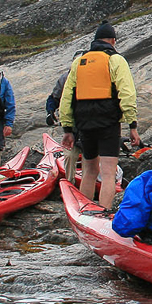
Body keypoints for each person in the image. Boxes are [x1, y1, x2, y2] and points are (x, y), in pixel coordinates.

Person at [59, 22, 141, 209]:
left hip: (85, 124)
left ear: (95, 41)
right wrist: (132, 125)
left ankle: (85, 211)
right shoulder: (116, 60)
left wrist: (67, 128)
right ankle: (104, 212)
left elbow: (67, 97)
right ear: (113, 41)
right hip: (108, 124)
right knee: (108, 172)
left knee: (89, 170)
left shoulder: (78, 62)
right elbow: (127, 94)